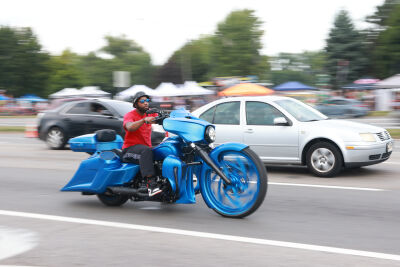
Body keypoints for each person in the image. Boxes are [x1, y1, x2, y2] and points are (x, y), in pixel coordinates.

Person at [122, 92, 161, 196]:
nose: (146, 103)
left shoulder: (150, 113)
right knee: (146, 150)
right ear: (135, 104)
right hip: (129, 150)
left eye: (147, 101)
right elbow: (129, 127)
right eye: (142, 101)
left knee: (163, 149)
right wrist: (143, 120)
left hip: (144, 148)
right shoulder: (130, 115)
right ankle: (150, 184)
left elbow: (162, 119)